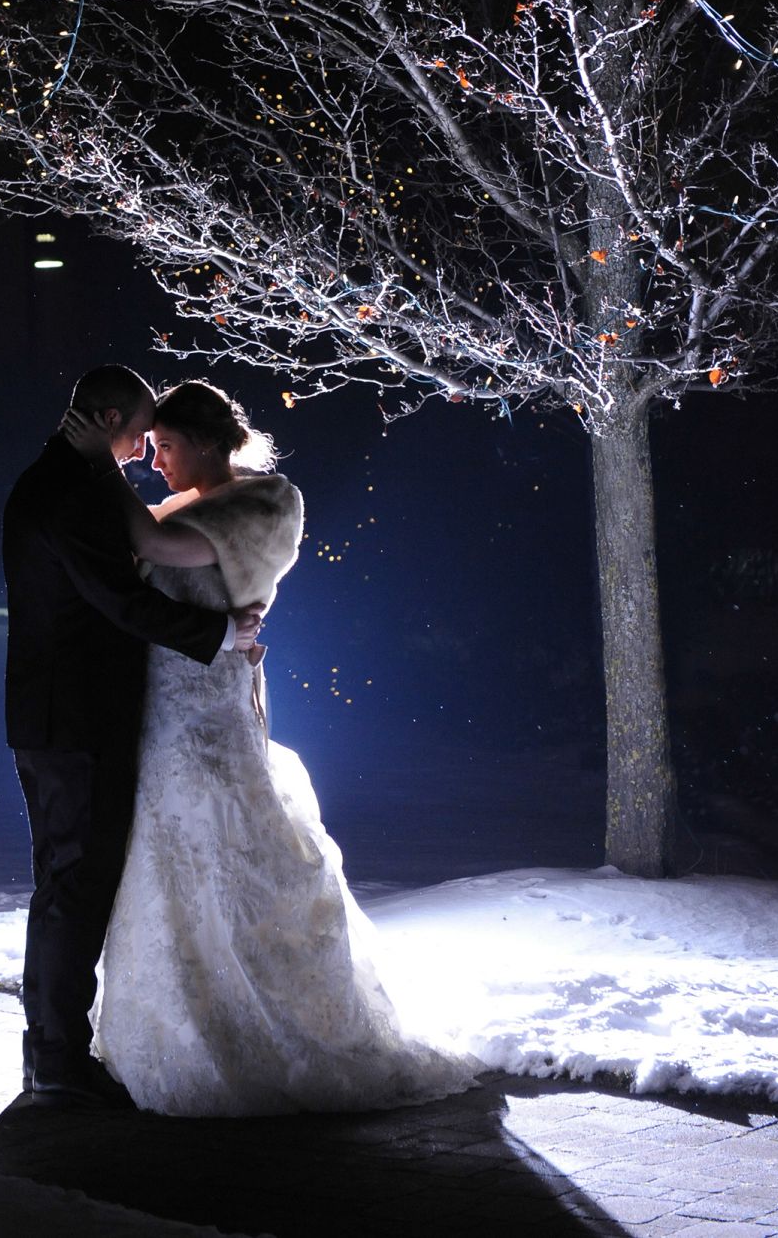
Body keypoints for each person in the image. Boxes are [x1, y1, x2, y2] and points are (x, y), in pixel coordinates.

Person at [62, 379, 474, 1117]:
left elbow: (150, 544)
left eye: (162, 446)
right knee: (172, 862)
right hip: (162, 708)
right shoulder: (183, 505)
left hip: (205, 711)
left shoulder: (263, 503)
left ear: (205, 439)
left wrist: (99, 463)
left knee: (227, 852)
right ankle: (184, 1023)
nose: (154, 461)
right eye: (146, 448)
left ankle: (254, 1031)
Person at [2, 364, 265, 1110]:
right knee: (76, 889)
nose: (144, 448)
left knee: (62, 884)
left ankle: (47, 1048)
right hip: (78, 719)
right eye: (140, 429)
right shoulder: (73, 489)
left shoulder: (49, 480)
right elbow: (119, 602)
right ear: (109, 416)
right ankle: (56, 1056)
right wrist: (220, 634)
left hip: (52, 715)